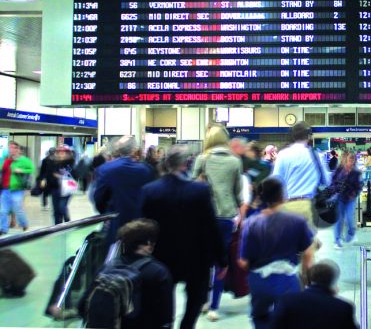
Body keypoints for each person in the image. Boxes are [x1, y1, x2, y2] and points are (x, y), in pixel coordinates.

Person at [140, 145, 227, 329]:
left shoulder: (150, 190)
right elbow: (211, 227)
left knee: (162, 296)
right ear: (186, 164)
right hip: (195, 257)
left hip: (161, 256)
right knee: (195, 297)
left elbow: (142, 226)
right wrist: (222, 259)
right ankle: (187, 325)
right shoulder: (200, 191)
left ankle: (167, 323)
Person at [239, 177, 315, 329]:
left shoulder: (251, 223)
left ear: (261, 197)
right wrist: (306, 279)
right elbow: (308, 254)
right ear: (283, 197)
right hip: (288, 281)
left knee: (260, 318)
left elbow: (243, 262)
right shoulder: (297, 221)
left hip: (260, 282)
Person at [192, 124, 248, 322]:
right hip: (226, 216)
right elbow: (237, 193)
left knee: (202, 262)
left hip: (203, 217)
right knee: (220, 263)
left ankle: (202, 301)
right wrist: (241, 218)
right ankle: (214, 307)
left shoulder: (202, 159)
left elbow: (191, 186)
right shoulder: (235, 161)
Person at [80, 219, 174, 329]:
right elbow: (165, 317)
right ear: (149, 244)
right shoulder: (159, 272)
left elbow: (82, 307)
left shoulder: (106, 268)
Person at [93, 136, 154, 245]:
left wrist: (106, 213)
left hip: (115, 221)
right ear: (133, 150)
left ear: (117, 150)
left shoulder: (105, 169)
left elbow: (99, 198)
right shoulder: (147, 170)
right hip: (141, 223)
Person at [271, 122, 330, 233]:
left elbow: (275, 182)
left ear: (293, 136)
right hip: (309, 206)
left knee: (288, 245)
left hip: (287, 206)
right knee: (307, 246)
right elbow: (326, 181)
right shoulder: (316, 155)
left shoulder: (283, 155)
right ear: (308, 136)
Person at [270, 260, 358, 329]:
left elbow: (275, 326)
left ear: (310, 278)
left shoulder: (287, 300)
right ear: (333, 282)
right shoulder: (343, 308)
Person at [331, 151, 363, 249]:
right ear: (345, 160)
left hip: (350, 199)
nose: (352, 162)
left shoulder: (356, 172)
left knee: (350, 219)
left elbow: (359, 186)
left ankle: (351, 234)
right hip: (340, 198)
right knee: (339, 220)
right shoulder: (339, 170)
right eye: (350, 159)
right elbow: (333, 183)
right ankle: (337, 240)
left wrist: (355, 193)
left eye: (353, 160)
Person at [0, 142, 33, 235]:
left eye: (14, 148)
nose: (11, 150)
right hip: (5, 189)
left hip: (17, 189)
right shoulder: (4, 160)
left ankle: (24, 224)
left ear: (18, 150)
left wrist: (21, 170)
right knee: (3, 210)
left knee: (17, 208)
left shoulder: (23, 160)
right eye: (9, 148)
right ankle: (3, 229)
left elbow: (31, 169)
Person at [41, 145, 75, 225]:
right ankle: (57, 226)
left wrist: (61, 175)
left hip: (67, 188)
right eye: (59, 152)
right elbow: (47, 173)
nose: (61, 154)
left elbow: (74, 174)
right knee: (56, 209)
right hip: (54, 188)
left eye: (63, 152)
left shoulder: (70, 162)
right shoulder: (51, 162)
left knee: (62, 207)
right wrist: (44, 180)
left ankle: (67, 221)